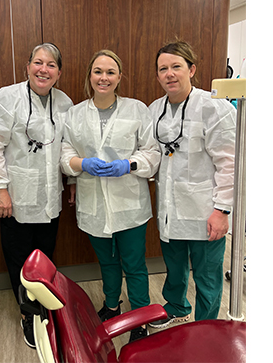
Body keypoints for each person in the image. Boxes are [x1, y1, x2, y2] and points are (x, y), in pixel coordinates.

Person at [0, 43, 74, 349]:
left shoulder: (65, 103)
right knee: (19, 260)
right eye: (38, 63)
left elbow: (68, 145)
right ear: (28, 66)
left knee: (44, 257)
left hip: (49, 197)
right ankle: (28, 315)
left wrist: (70, 182)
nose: (43, 70)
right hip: (15, 196)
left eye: (51, 65)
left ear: (58, 72)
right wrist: (0, 188)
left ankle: (43, 307)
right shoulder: (9, 97)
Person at [59, 49, 161, 344]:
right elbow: (66, 152)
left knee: (134, 263)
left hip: (129, 202)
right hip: (93, 202)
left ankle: (141, 316)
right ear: (90, 76)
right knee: (107, 262)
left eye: (110, 72)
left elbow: (152, 152)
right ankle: (112, 305)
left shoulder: (137, 109)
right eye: (98, 72)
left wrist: (127, 164)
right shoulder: (75, 113)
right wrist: (81, 165)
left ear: (119, 77)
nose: (104, 78)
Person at [147, 40, 237, 329]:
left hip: (204, 210)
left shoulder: (214, 107)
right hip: (170, 207)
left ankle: (206, 327)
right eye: (163, 69)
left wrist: (222, 210)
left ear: (191, 69)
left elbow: (230, 163)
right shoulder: (155, 109)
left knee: (207, 275)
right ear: (158, 75)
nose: (169, 74)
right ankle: (176, 307)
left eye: (176, 67)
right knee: (174, 269)